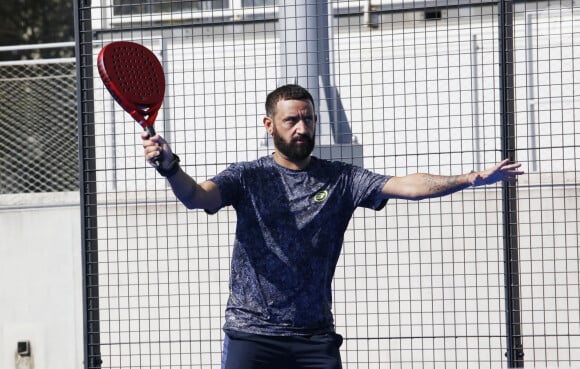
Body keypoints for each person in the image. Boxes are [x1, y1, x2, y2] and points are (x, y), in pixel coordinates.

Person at [141, 84, 524, 369]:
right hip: (251, 335)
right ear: (269, 125)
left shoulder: (340, 179)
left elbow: (408, 185)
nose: (302, 128)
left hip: (314, 338)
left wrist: (472, 178)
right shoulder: (247, 177)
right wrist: (170, 168)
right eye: (291, 120)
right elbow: (197, 197)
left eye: (308, 119)